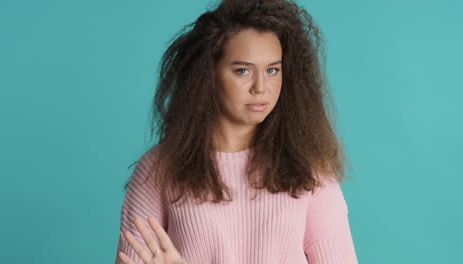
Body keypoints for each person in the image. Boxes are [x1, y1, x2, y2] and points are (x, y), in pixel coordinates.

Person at [115, 0, 358, 263]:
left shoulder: (311, 170)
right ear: (208, 74)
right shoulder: (158, 169)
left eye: (272, 70)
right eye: (242, 70)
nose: (260, 87)